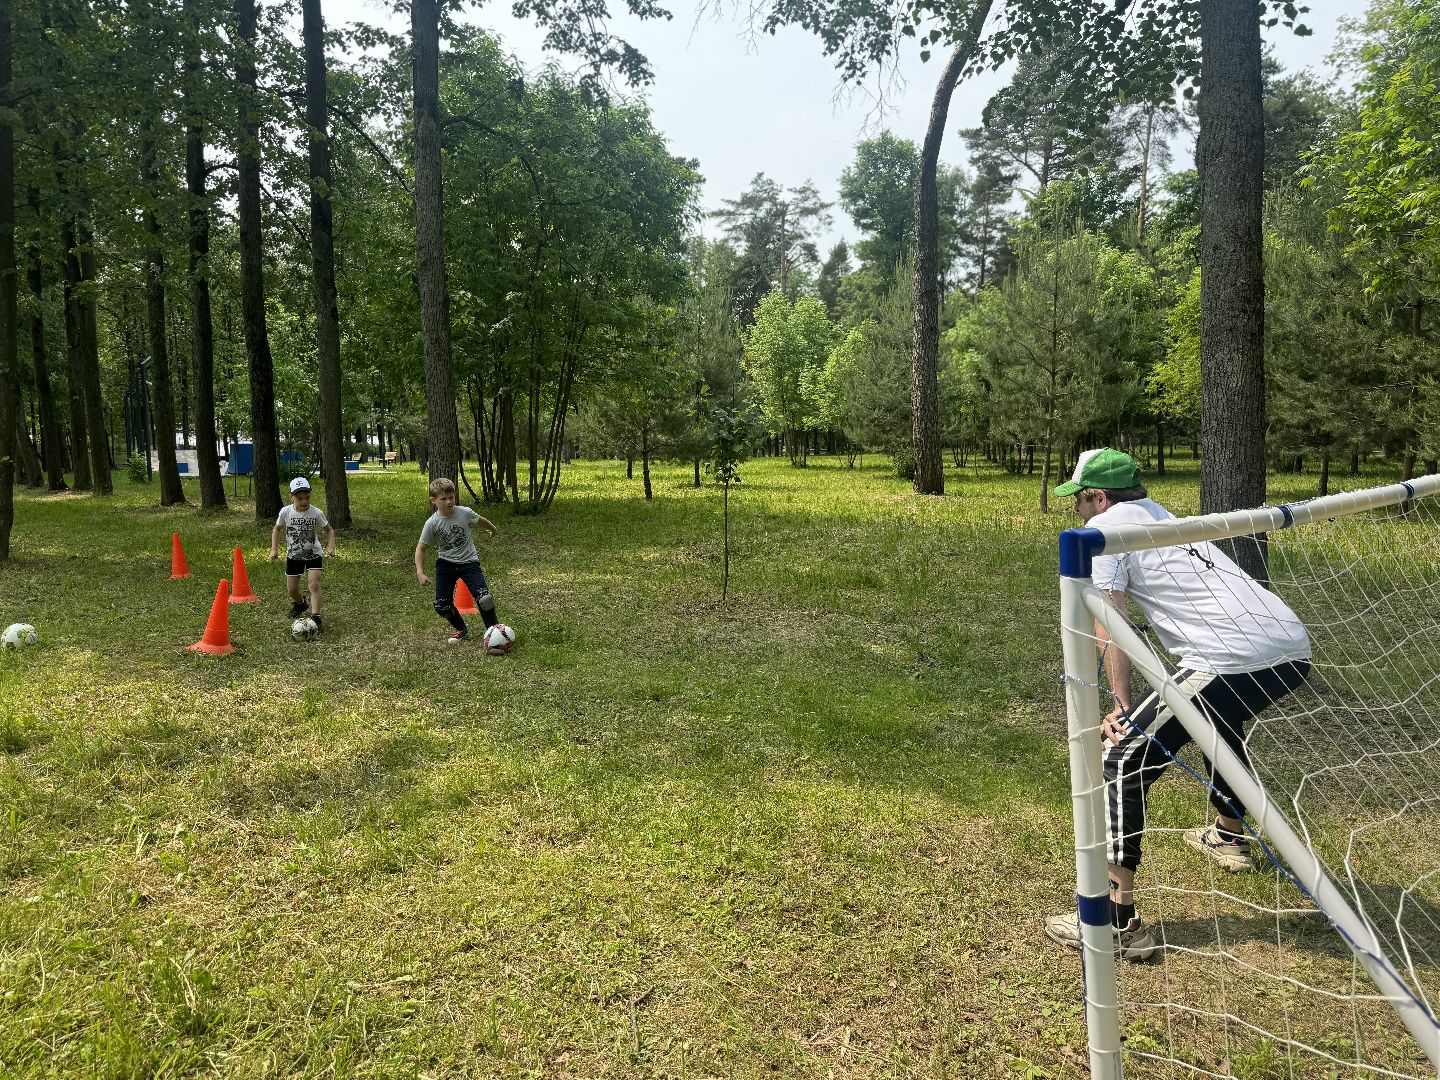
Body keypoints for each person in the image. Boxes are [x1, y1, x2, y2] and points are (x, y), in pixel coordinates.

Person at [1044, 448, 1312, 961]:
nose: (1076, 510)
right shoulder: (1169, 518)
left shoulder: (1104, 536)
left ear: (1099, 498)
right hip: (1291, 650)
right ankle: (1229, 835)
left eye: (1078, 500)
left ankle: (1115, 921)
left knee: (1123, 758)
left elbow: (1112, 628)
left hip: (1229, 657)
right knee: (1216, 723)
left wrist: (1122, 708)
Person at [415, 477, 501, 644]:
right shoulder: (432, 523)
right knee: (442, 606)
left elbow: (481, 521)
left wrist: (493, 529)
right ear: (434, 501)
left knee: (484, 598)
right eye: (443, 499)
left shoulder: (464, 512)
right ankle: (462, 629)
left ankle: (495, 632)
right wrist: (420, 573)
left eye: (451, 497)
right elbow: (420, 549)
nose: (448, 502)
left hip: (469, 562)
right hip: (446, 565)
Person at [270, 476, 336, 630]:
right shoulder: (285, 512)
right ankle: (300, 604)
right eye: (300, 498)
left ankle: (316, 616)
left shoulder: (316, 512)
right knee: (292, 589)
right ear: (291, 497)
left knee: (314, 584)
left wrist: (331, 546)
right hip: (294, 555)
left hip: (314, 554)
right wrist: (274, 549)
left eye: (307, 497)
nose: (304, 501)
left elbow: (329, 530)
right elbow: (277, 528)